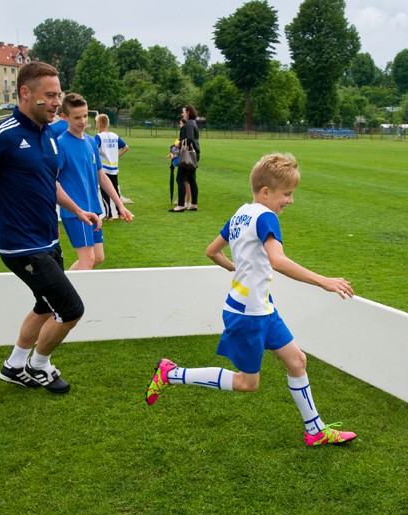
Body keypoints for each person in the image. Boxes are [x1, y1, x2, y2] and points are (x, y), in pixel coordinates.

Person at [146, 152, 358, 447]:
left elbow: (212, 251)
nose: (290, 200)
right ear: (267, 192)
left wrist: (239, 269)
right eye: (287, 194)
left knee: (297, 361)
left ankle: (315, 430)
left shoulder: (241, 213)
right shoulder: (266, 216)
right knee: (248, 383)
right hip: (248, 315)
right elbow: (278, 261)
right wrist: (325, 281)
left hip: (262, 309)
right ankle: (172, 374)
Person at [0, 61, 103, 394]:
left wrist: (78, 210)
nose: (56, 103)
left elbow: (49, 182)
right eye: (49, 96)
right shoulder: (1, 135)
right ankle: (38, 365)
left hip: (47, 239)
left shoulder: (49, 134)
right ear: (25, 93)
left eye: (58, 95)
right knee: (71, 309)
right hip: (20, 246)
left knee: (45, 305)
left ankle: (14, 366)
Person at [57, 93, 133, 270]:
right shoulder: (61, 144)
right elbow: (52, 181)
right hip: (75, 212)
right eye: (76, 117)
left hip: (93, 209)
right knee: (87, 260)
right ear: (65, 117)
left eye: (84, 116)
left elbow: (102, 176)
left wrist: (119, 205)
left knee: (98, 257)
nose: (82, 121)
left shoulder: (91, 142)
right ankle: (70, 297)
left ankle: (61, 289)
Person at [95, 113, 130, 220]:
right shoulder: (115, 136)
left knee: (105, 190)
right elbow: (126, 147)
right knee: (115, 190)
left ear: (98, 125)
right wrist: (116, 156)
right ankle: (120, 213)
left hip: (103, 168)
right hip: (114, 168)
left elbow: (94, 148)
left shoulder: (99, 137)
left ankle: (109, 214)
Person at [168, 104, 200, 212]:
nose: (182, 114)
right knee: (191, 179)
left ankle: (180, 205)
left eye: (183, 112)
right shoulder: (193, 123)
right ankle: (194, 204)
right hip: (194, 154)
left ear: (188, 113)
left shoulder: (189, 124)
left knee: (180, 178)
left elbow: (189, 139)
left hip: (188, 155)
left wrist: (179, 144)